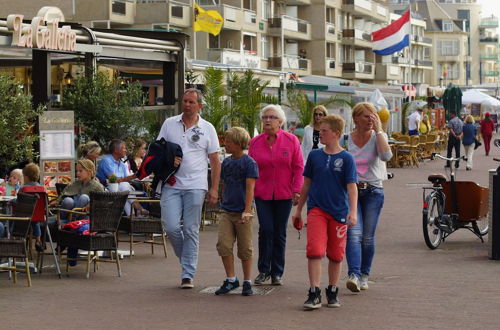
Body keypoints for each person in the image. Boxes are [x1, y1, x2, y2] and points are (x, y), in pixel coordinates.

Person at [157, 88, 220, 289]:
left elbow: (215, 161)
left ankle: (188, 273)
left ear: (199, 105)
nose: (187, 105)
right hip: (172, 183)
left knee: (191, 229)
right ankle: (187, 259)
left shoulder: (208, 128)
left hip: (196, 184)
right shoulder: (169, 124)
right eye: (185, 101)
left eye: (192, 102)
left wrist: (214, 188)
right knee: (172, 227)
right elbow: (157, 151)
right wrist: (167, 164)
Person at [293, 114, 358, 310]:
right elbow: (307, 184)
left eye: (324, 131)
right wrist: (298, 210)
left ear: (336, 134)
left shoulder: (346, 158)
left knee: (336, 254)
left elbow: (352, 187)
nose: (320, 133)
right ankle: (314, 292)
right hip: (317, 210)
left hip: (338, 211)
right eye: (319, 130)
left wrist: (353, 211)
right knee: (315, 250)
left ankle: (332, 290)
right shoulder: (314, 156)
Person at [248, 104, 304, 286]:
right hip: (262, 194)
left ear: (281, 121)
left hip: (284, 193)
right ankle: (263, 270)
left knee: (279, 232)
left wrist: (297, 190)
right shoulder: (255, 142)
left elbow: (298, 167)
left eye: (272, 117)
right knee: (265, 229)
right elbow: (250, 169)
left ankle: (277, 272)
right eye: (265, 117)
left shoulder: (291, 140)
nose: (267, 121)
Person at [345, 102, 392, 292]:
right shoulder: (346, 138)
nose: (370, 120)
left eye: (373, 116)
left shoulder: (379, 137)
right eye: (366, 116)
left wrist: (379, 131)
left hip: (373, 190)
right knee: (353, 234)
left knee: (367, 238)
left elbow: (386, 156)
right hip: (352, 190)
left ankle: (365, 274)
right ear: (356, 119)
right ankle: (354, 275)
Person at [214, 127, 258, 296]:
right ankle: (231, 279)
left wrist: (247, 211)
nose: (226, 144)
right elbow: (224, 183)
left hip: (242, 211)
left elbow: (250, 188)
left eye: (229, 141)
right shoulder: (227, 162)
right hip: (227, 209)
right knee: (224, 245)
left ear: (239, 144)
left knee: (245, 247)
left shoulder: (249, 163)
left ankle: (247, 281)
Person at [96, 139, 145, 216]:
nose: (126, 150)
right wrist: (133, 176)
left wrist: (135, 175)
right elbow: (114, 180)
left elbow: (125, 180)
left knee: (123, 188)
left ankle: (131, 217)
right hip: (105, 190)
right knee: (123, 187)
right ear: (116, 150)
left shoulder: (122, 164)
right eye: (124, 148)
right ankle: (139, 209)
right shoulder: (106, 161)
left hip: (120, 191)